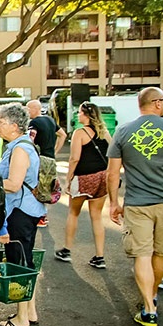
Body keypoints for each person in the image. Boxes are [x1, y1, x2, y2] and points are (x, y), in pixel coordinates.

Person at [107, 87, 163, 326]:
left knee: (142, 255)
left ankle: (148, 309)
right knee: (160, 253)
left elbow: (113, 173)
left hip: (137, 204)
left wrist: (114, 203)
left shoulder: (124, 131)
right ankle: (152, 295)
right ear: (156, 103)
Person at [0, 102, 47, 326]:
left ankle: (21, 317)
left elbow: (14, 184)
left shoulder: (19, 149)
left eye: (1, 122)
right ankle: (30, 311)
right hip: (26, 211)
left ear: (14, 126)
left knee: (19, 264)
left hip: (20, 213)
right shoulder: (22, 145)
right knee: (25, 260)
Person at [54, 102, 112, 269]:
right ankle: (100, 256)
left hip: (83, 177)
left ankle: (67, 249)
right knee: (96, 216)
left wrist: (68, 179)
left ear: (85, 115)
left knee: (73, 213)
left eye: (79, 112)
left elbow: (74, 158)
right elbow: (113, 152)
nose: (78, 115)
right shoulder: (104, 132)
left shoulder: (80, 133)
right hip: (101, 177)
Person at [27, 98, 66, 228]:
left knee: (38, 187)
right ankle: (43, 216)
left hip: (40, 159)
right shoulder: (50, 120)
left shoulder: (34, 123)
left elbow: (30, 140)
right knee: (47, 186)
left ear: (35, 109)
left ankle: (40, 217)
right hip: (51, 158)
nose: (27, 112)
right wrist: (55, 150)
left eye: (28, 108)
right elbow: (63, 135)